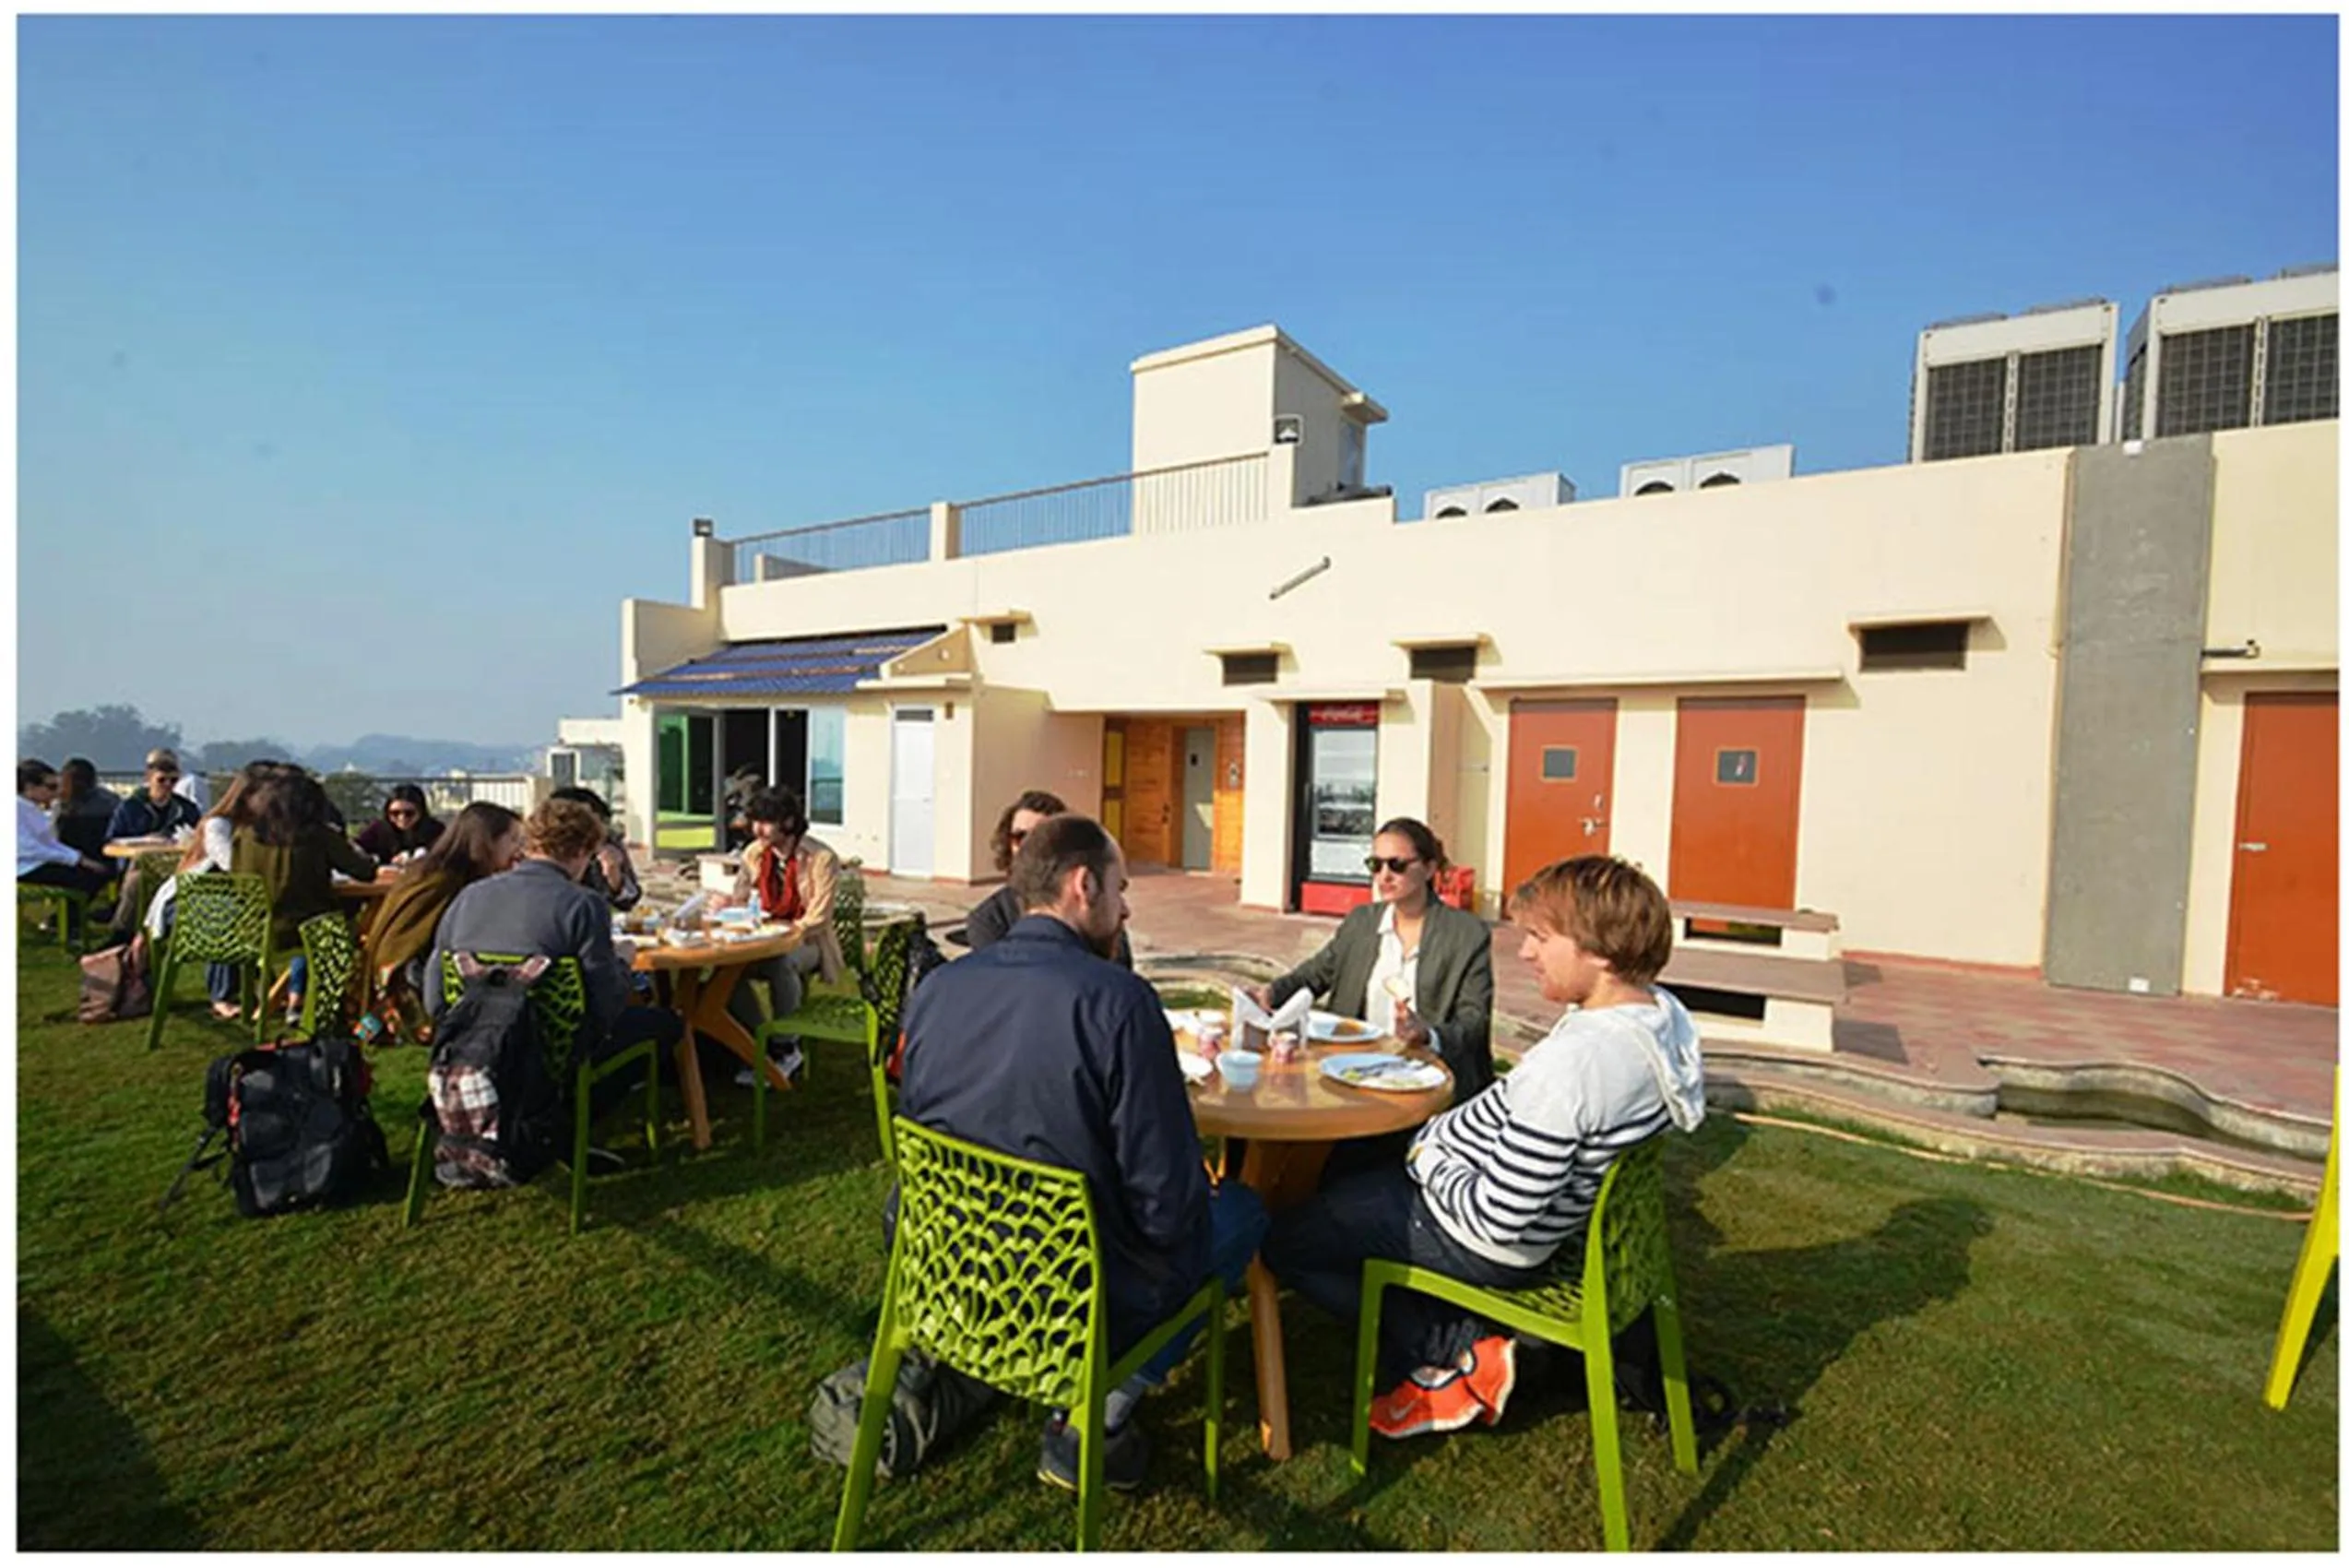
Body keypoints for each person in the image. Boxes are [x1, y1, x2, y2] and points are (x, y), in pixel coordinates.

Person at [1262, 854, 1705, 1441]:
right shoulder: (1659, 1017)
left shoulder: (1579, 1065)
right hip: (1524, 1215)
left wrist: (1428, 1154)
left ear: (1598, 953)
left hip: (1478, 1237)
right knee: (1349, 1179)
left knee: (1279, 1241)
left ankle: (1457, 1349)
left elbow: (1499, 1219)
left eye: (1540, 938)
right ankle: (1446, 1326)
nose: (1524, 954)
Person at [896, 814, 1268, 1492]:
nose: (1125, 907)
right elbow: (1163, 1200)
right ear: (1081, 885)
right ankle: (1103, 1409)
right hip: (1073, 1295)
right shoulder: (1119, 1003)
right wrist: (1190, 1215)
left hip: (950, 1268)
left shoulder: (938, 990)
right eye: (1120, 889)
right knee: (1241, 1209)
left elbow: (921, 1130)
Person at [427, 797, 683, 1121]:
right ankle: (565, 1121)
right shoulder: (583, 905)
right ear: (582, 852)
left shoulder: (469, 896)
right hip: (553, 1052)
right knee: (666, 1023)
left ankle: (541, 1118)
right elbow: (605, 1006)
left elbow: (433, 996)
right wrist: (622, 964)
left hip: (471, 1047)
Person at [1248, 817, 1496, 1105]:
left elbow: (1474, 1021)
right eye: (1375, 865)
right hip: (1354, 1070)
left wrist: (1428, 1034)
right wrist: (1269, 994)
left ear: (1429, 868)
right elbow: (1314, 975)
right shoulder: (1362, 922)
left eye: (1397, 865)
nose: (1384, 876)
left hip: (1425, 1079)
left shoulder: (1465, 935)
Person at [711, 787, 846, 1084]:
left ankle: (787, 1046)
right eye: (754, 821)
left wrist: (785, 934)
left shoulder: (820, 858)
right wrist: (728, 905)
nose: (757, 829)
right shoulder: (755, 853)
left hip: (807, 941)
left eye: (765, 822)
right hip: (763, 939)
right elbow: (743, 900)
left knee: (780, 962)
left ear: (787, 822)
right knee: (725, 970)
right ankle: (760, 1040)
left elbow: (819, 917)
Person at [363, 801, 525, 1038]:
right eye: (512, 841)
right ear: (488, 842)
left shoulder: (431, 870)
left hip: (394, 967)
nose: (517, 849)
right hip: (409, 978)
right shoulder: (449, 881)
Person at [231, 769, 377, 1019]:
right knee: (360, 931)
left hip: (253, 930)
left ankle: (289, 1001)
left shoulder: (244, 836)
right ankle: (337, 1007)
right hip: (312, 931)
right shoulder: (318, 835)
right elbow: (365, 872)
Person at [963, 789, 1133, 968]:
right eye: (1021, 836)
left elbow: (1119, 972)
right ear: (1008, 842)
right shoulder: (989, 918)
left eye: (1041, 837)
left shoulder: (1099, 910)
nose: (1030, 845)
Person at [18, 760, 115, 910]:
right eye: (51, 787)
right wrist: (77, 860)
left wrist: (78, 858)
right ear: (30, 787)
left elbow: (48, 844)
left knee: (92, 872)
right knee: (89, 877)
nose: (56, 793)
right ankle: (67, 921)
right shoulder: (18, 809)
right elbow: (29, 850)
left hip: (32, 863)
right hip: (24, 867)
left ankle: (64, 920)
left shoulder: (29, 809)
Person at [550, 786, 642, 911]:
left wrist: (615, 877)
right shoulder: (546, 852)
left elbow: (630, 900)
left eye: (601, 822)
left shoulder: (608, 842)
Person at [105, 748, 205, 842]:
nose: (168, 784)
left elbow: (201, 836)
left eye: (173, 780)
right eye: (161, 780)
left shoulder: (186, 808)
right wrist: (144, 841)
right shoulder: (129, 808)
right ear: (149, 777)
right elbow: (112, 841)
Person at [354, 784, 445, 864]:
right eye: (395, 813)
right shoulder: (378, 829)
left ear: (421, 812)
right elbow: (357, 848)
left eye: (409, 813)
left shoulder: (436, 830)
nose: (402, 818)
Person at [52, 759, 120, 861]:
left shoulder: (62, 807)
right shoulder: (112, 801)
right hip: (107, 860)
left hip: (73, 862)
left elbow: (57, 843)